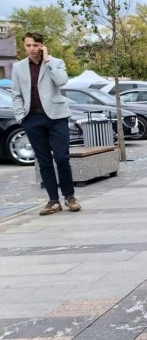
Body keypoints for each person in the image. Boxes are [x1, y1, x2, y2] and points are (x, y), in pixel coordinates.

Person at [10, 32, 81, 215]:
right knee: (44, 161)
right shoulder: (18, 67)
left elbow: (61, 81)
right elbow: (16, 94)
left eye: (35, 45)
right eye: (28, 45)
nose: (32, 49)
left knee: (62, 158)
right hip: (32, 119)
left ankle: (70, 197)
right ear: (24, 47)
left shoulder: (55, 62)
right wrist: (21, 117)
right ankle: (53, 201)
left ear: (42, 45)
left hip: (57, 117)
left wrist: (47, 61)